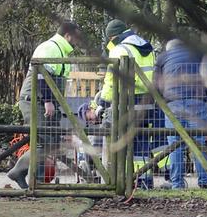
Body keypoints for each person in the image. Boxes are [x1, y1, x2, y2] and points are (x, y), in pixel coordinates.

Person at [8, 14, 84, 188]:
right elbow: (41, 75)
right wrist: (48, 101)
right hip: (36, 100)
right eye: (77, 37)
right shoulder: (50, 48)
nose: (78, 41)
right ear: (68, 35)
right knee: (45, 141)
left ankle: (37, 181)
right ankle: (22, 173)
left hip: (46, 102)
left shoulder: (61, 51)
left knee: (53, 141)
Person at [89, 19, 158, 188]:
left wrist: (102, 104)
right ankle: (144, 182)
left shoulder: (120, 50)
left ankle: (121, 181)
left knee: (121, 141)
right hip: (147, 101)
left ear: (112, 37)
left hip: (126, 103)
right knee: (141, 142)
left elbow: (111, 82)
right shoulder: (146, 46)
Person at [155, 33, 207, 190]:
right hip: (196, 102)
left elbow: (156, 85)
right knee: (198, 143)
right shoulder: (198, 54)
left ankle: (177, 184)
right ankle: (204, 182)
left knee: (175, 144)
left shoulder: (162, 57)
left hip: (173, 103)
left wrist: (164, 101)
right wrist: (205, 95)